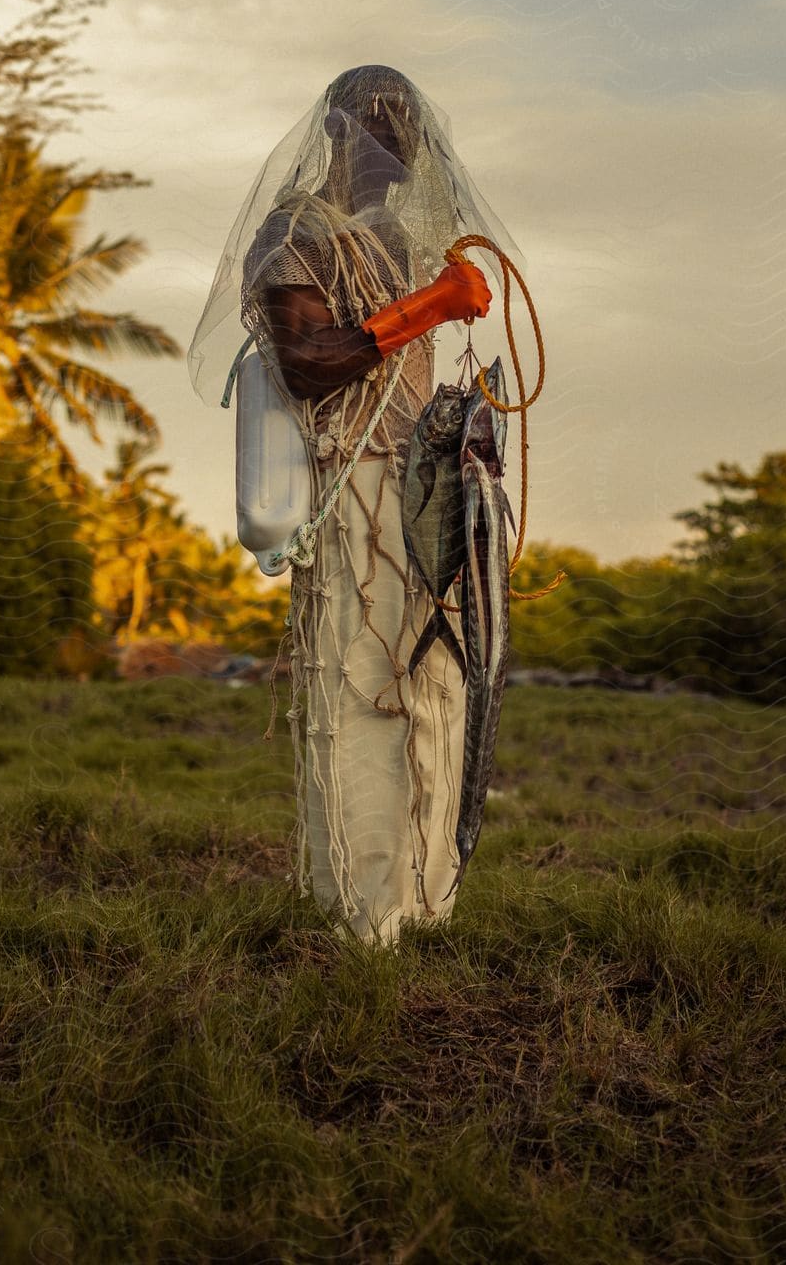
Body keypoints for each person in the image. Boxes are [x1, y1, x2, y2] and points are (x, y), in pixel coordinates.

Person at [188, 65, 520, 945]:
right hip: (351, 493)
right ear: (335, 134)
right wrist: (429, 307)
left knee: (439, 686)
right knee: (361, 689)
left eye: (408, 143)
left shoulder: (404, 246)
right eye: (379, 136)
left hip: (425, 490)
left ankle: (427, 907)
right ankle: (362, 921)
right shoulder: (293, 229)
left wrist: (443, 307)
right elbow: (308, 362)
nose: (397, 160)